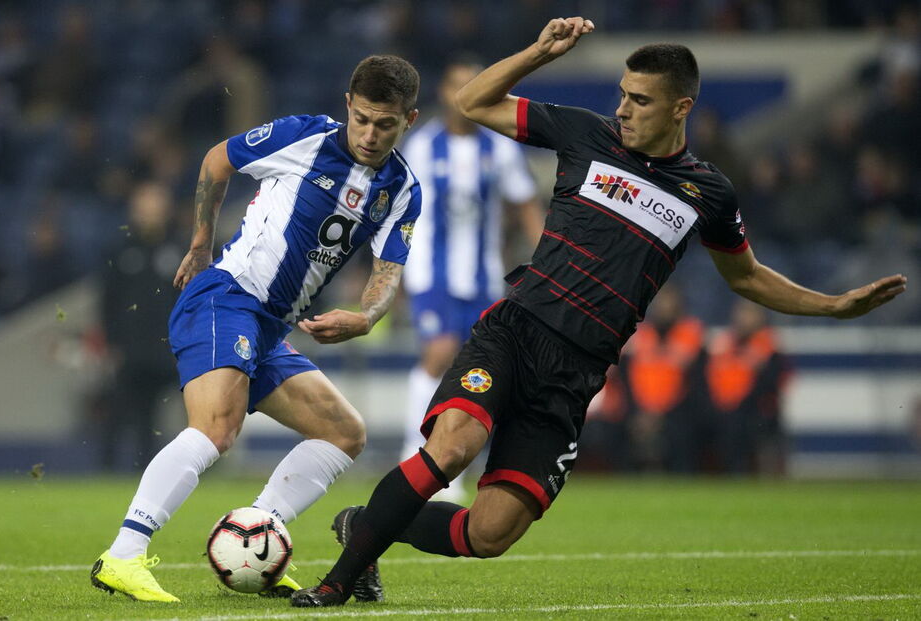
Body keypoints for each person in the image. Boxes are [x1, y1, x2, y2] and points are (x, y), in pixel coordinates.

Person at [291, 17, 907, 608]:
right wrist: (540, 53)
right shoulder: (586, 134)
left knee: (490, 533)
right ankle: (337, 584)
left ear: (681, 107)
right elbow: (473, 102)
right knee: (452, 448)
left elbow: (745, 275)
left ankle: (367, 524)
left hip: (576, 373)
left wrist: (832, 306)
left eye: (640, 100)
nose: (623, 109)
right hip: (515, 333)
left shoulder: (709, 192)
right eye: (622, 94)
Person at [90, 54, 421, 603]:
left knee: (344, 433)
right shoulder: (306, 137)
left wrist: (366, 316)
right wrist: (201, 242)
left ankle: (254, 537)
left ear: (408, 120)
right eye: (361, 118)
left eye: (384, 124)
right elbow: (217, 160)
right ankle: (123, 554)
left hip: (270, 328)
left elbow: (387, 273)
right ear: (348, 105)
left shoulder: (403, 188)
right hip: (228, 296)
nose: (369, 134)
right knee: (217, 426)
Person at [400, 57, 542, 501]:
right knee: (439, 352)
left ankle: (455, 462)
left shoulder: (499, 148)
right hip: (431, 272)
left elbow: (525, 202)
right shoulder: (422, 146)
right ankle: (415, 453)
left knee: (477, 368)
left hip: (482, 278)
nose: (463, 96)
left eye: (472, 86)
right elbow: (397, 207)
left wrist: (547, 260)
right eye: (456, 86)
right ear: (444, 93)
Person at [99, 181, 182, 470]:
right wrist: (111, 342)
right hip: (130, 350)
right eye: (144, 206)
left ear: (167, 209)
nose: (149, 212)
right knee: (122, 412)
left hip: (170, 349)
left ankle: (194, 468)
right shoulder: (120, 250)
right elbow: (108, 301)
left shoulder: (181, 248)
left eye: (155, 205)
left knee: (184, 411)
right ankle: (108, 470)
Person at [618, 285, 707, 472]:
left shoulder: (691, 334)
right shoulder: (639, 335)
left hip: (678, 410)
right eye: (661, 302)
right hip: (638, 409)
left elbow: (695, 381)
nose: (664, 307)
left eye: (669, 302)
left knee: (684, 431)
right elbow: (625, 378)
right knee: (615, 428)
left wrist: (661, 414)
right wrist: (640, 411)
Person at [706, 299, 790, 475]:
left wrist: (740, 404)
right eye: (741, 312)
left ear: (761, 317)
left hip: (756, 410)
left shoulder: (769, 345)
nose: (743, 318)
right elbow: (708, 378)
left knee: (745, 425)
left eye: (749, 313)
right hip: (722, 409)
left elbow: (774, 381)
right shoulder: (723, 343)